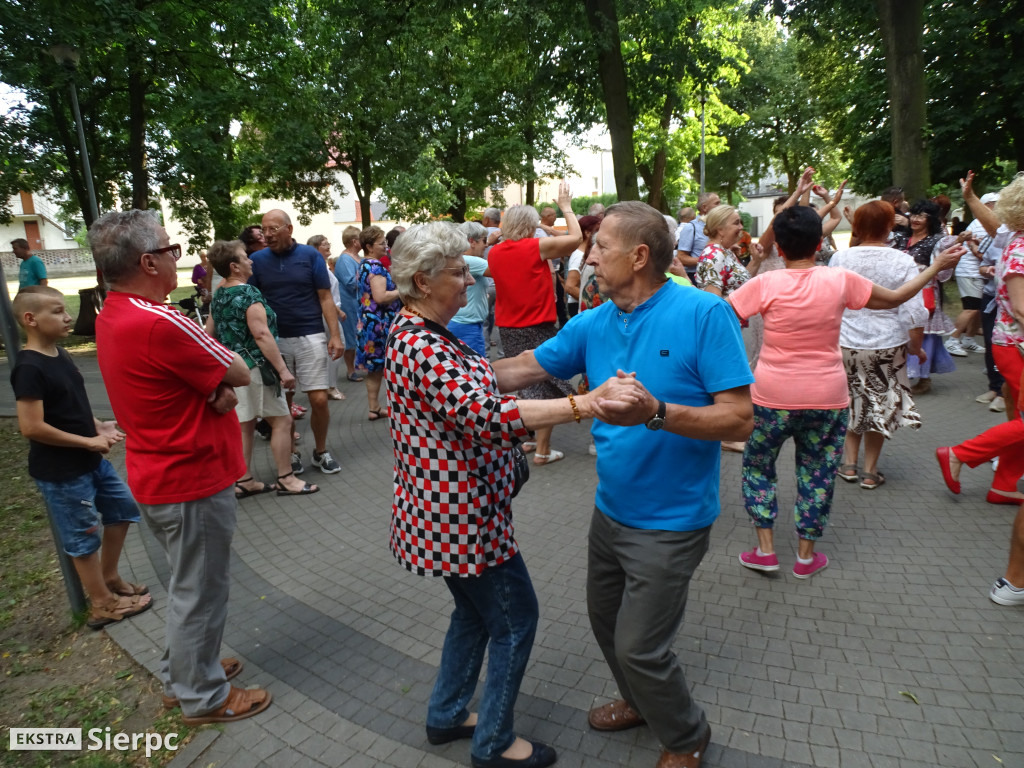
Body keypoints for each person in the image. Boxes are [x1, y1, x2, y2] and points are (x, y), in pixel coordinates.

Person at [495, 200, 755, 768]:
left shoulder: (702, 314)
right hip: (609, 512)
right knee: (606, 624)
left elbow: (739, 418)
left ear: (639, 256)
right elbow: (521, 369)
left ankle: (686, 737)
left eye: (600, 248)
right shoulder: (595, 320)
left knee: (640, 646)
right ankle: (641, 703)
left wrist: (658, 411)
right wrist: (432, 354)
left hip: (673, 519)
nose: (587, 255)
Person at [386, 221, 640, 768]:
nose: (469, 280)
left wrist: (553, 366)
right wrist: (585, 404)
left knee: (474, 616)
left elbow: (485, 380)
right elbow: (484, 413)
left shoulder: (425, 334)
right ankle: (495, 743)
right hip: (464, 520)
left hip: (450, 515)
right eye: (457, 272)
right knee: (515, 619)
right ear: (423, 282)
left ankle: (447, 714)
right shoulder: (420, 343)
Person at [89, 209, 271, 725]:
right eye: (169, 250)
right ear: (147, 261)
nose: (178, 258)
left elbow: (194, 381)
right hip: (190, 477)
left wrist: (211, 387)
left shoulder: (114, 312)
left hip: (160, 474)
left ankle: (187, 670)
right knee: (201, 590)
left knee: (191, 585)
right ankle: (202, 696)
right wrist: (216, 387)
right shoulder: (159, 317)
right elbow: (235, 368)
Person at [728, 193, 964, 578]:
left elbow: (722, 315)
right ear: (819, 243)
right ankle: (806, 557)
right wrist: (934, 266)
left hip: (771, 396)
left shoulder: (765, 284)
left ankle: (765, 550)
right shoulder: (839, 280)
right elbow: (896, 299)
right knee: (818, 473)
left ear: (781, 247)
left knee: (758, 467)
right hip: (828, 397)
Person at [10, 286, 152, 629]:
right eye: (57, 311)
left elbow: (68, 405)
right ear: (31, 319)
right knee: (83, 537)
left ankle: (110, 579)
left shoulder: (60, 354)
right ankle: (101, 603)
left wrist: (97, 425)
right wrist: (86, 443)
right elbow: (31, 427)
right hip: (62, 473)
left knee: (123, 511)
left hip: (90, 462)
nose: (68, 315)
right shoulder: (28, 368)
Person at [937, 173, 1024, 507]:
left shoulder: (1016, 239)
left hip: (1011, 344)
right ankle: (959, 454)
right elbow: (1020, 308)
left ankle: (1003, 484)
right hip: (1015, 345)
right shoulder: (1019, 248)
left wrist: (970, 195)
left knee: (1020, 421)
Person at [206, 241, 318, 497]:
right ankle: (286, 478)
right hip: (256, 368)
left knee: (244, 424)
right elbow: (261, 334)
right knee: (282, 420)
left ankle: (244, 479)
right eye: (246, 257)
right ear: (234, 266)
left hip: (232, 369)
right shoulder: (248, 294)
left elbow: (208, 334)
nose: (252, 261)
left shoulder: (220, 293)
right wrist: (283, 371)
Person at [830, 201, 928, 489]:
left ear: (857, 227)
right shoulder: (903, 261)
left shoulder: (840, 259)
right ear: (889, 226)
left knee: (851, 402)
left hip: (846, 341)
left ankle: (848, 464)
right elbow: (913, 310)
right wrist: (916, 346)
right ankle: (870, 471)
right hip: (887, 343)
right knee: (879, 405)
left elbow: (833, 302)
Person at [488, 182, 582, 465]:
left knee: (523, 380)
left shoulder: (495, 253)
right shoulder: (535, 247)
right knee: (543, 381)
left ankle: (527, 437)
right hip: (536, 325)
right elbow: (576, 238)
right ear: (529, 225)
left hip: (508, 326)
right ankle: (542, 450)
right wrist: (566, 208)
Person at [249, 210, 342, 475]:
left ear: (289, 229)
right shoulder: (256, 260)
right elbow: (251, 300)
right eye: (264, 229)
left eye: (273, 229)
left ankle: (321, 452)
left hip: (310, 334)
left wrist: (334, 335)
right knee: (283, 402)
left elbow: (325, 297)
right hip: (275, 340)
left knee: (320, 399)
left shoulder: (310, 256)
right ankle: (291, 453)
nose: (267, 234)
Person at [356, 225, 401, 420]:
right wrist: (403, 290)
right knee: (386, 367)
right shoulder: (376, 266)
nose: (385, 246)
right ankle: (387, 407)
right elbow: (381, 297)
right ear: (369, 246)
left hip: (368, 323)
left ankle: (374, 407)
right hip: (381, 325)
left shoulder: (364, 264)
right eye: (381, 243)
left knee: (374, 369)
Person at [307, 234, 347, 400]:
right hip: (327, 313)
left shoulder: (320, 266)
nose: (328, 245)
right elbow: (325, 294)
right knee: (338, 346)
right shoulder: (318, 268)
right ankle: (330, 386)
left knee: (329, 349)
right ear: (317, 248)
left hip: (328, 311)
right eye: (325, 244)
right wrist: (338, 311)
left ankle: (327, 385)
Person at [447, 221, 490, 356]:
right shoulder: (471, 260)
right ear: (472, 241)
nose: (487, 244)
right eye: (484, 240)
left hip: (461, 323)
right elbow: (505, 271)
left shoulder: (462, 259)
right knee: (475, 370)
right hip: (467, 326)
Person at [333, 225, 365, 381]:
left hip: (359, 303)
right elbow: (351, 283)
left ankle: (359, 366)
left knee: (358, 335)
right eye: (361, 239)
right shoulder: (345, 259)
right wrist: (371, 279)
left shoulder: (358, 258)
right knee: (350, 336)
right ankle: (350, 370)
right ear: (354, 241)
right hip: (350, 304)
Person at [675, 192, 721, 283]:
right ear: (704, 207)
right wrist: (709, 260)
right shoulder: (691, 227)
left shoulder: (719, 226)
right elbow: (681, 257)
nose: (720, 206)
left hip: (718, 275)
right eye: (717, 203)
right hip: (698, 278)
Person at [563, 215, 601, 318]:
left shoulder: (583, 253)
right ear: (587, 233)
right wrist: (588, 298)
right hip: (578, 307)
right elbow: (570, 286)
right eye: (597, 230)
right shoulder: (579, 255)